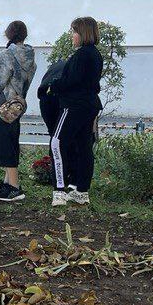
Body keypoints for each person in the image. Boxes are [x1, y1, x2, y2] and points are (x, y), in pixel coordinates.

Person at [48, 17, 104, 207]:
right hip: (89, 106)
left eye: (74, 32)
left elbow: (70, 81)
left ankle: (59, 191)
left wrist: (52, 86)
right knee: (83, 146)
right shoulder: (95, 54)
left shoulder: (81, 56)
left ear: (83, 33)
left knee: (57, 143)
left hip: (73, 106)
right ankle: (81, 191)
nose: (72, 36)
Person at [0, 21, 36, 204]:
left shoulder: (7, 54)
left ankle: (14, 187)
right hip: (17, 105)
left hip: (3, 106)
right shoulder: (30, 56)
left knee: (5, 144)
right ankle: (6, 183)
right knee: (10, 140)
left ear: (8, 34)